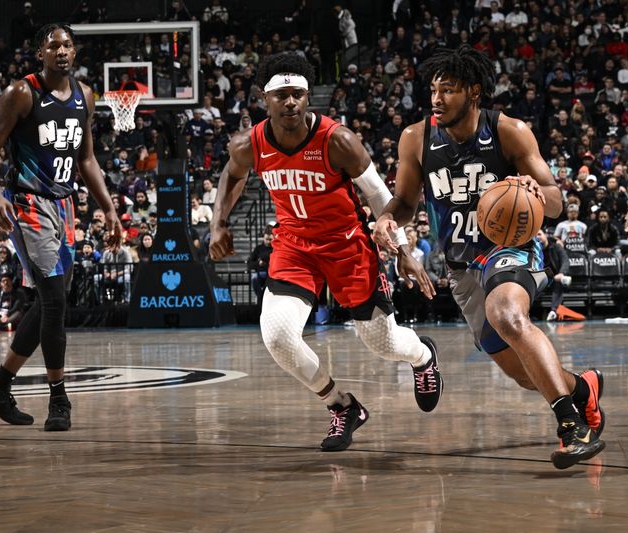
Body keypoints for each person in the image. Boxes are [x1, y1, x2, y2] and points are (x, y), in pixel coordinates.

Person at [372, 45, 605, 469]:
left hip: (511, 247)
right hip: (462, 267)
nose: (437, 99)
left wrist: (536, 193)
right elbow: (405, 202)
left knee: (508, 314)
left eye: (449, 90)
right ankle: (582, 390)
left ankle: (572, 425)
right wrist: (389, 218)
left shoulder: (509, 130)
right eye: (434, 90)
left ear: (474, 92)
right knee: (520, 374)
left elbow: (555, 200)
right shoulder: (416, 138)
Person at [209, 52, 442, 452]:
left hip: (347, 246)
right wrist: (219, 222)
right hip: (294, 246)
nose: (291, 103)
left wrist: (403, 249)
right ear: (265, 100)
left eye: (298, 94)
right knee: (277, 335)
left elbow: (379, 194)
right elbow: (231, 176)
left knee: (383, 346)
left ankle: (423, 357)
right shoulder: (249, 144)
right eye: (282, 95)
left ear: (308, 98)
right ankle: (342, 406)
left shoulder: (338, 140)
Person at [0, 24, 123, 431]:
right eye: (54, 45)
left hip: (65, 204)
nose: (62, 51)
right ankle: (60, 398)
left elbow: (87, 160)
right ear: (41, 52)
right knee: (54, 300)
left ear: (75, 52)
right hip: (27, 203)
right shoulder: (22, 93)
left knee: (48, 301)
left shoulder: (84, 95)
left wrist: (108, 209)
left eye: (68, 45)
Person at [536, 230, 571, 321]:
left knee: (559, 282)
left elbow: (565, 261)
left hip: (555, 279)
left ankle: (553, 312)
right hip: (541, 279)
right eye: (535, 236)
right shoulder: (534, 252)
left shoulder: (556, 247)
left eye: (539, 234)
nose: (538, 237)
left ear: (545, 235)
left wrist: (561, 273)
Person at [248, 226, 274, 308]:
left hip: (271, 274)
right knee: (254, 277)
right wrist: (258, 263)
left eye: (270, 239)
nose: (268, 241)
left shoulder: (275, 249)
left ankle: (263, 298)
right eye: (266, 239)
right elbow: (249, 264)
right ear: (263, 237)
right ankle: (260, 298)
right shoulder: (258, 249)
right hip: (259, 273)